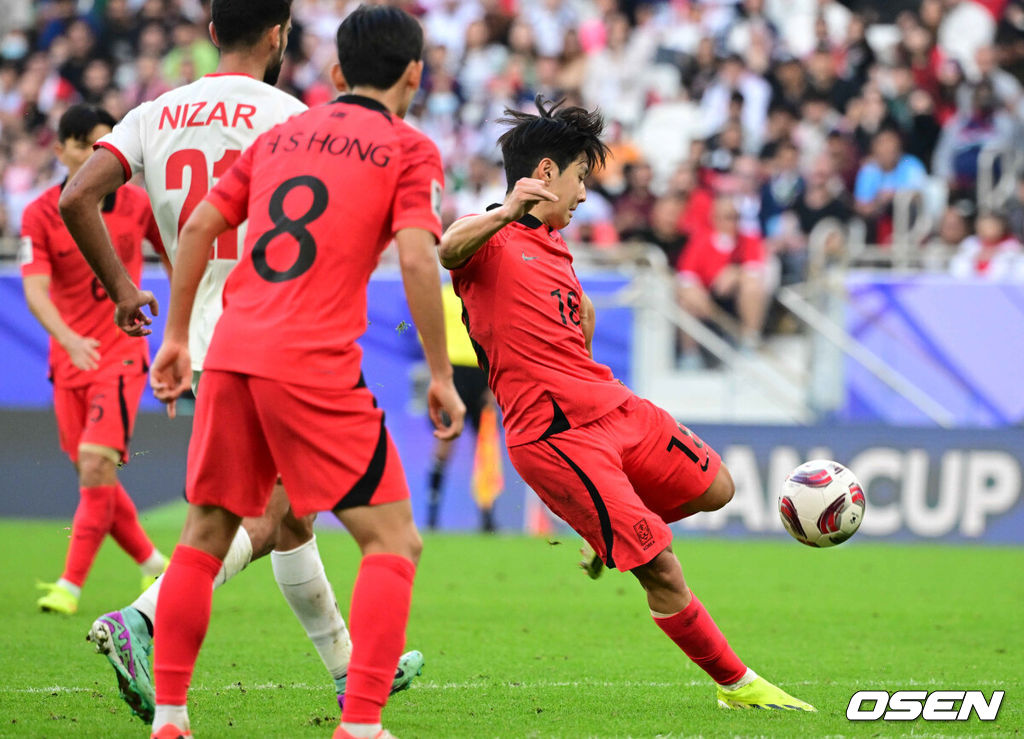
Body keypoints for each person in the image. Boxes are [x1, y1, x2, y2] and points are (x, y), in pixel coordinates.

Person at [58, 0, 423, 726]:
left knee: (290, 515)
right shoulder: (294, 118)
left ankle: (347, 669)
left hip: (198, 344)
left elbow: (77, 197)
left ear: (212, 31)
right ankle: (142, 616)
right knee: (269, 512)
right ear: (280, 34)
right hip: (280, 334)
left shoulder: (154, 114)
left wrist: (128, 291)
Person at [439, 96, 815, 715]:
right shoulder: (494, 233)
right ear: (546, 174)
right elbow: (448, 248)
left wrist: (580, 327)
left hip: (611, 406)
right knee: (661, 570)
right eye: (581, 179)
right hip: (557, 434)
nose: (584, 196)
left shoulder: (553, 244)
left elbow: (569, 314)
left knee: (716, 485)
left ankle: (606, 529)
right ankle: (737, 686)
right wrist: (507, 207)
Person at [21, 104, 169, 616]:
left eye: (103, 144)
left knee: (94, 466)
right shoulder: (39, 212)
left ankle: (70, 586)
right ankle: (154, 563)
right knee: (97, 476)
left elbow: (176, 250)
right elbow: (35, 290)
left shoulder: (137, 204)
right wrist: (67, 338)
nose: (94, 155)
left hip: (122, 354)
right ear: (60, 149)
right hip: (69, 360)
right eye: (83, 145)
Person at [426, 281, 503, 532]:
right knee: (445, 443)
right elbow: (428, 339)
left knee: (485, 448)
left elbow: (497, 341)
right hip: (453, 373)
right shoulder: (441, 296)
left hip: (482, 374)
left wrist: (493, 385)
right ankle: (432, 514)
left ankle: (487, 515)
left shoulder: (486, 298)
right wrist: (439, 377)